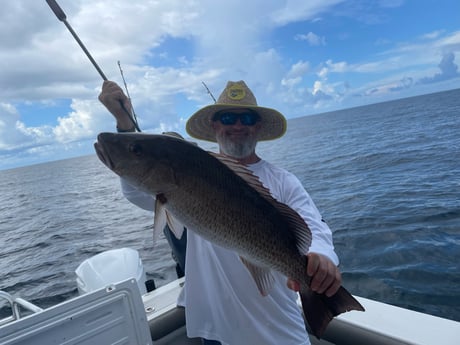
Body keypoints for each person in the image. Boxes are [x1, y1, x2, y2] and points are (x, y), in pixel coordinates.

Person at [99, 80, 342, 345]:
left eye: (247, 118)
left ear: (258, 127)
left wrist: (320, 257)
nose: (237, 126)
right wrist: (124, 123)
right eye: (227, 117)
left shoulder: (284, 181)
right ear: (215, 126)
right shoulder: (187, 174)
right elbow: (136, 192)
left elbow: (315, 228)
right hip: (216, 333)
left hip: (279, 332)